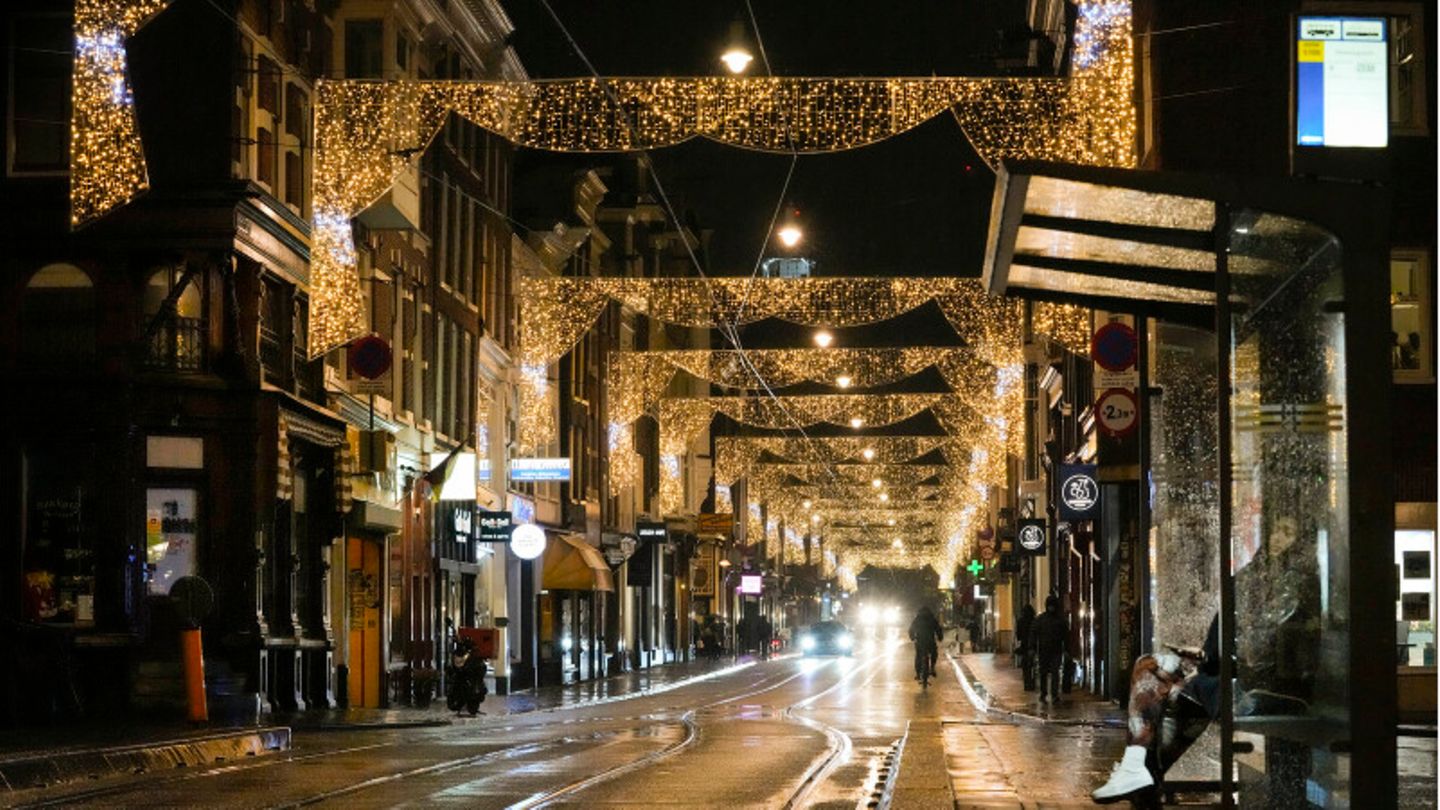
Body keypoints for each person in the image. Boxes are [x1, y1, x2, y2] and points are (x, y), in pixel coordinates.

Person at [1093, 615, 1219, 803]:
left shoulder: (1244, 605)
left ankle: (1135, 766)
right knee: (1150, 666)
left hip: (1223, 688)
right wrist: (1201, 656)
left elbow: (1237, 658)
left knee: (1150, 668)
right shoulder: (1236, 605)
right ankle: (1137, 769)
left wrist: (1204, 659)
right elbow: (1216, 655)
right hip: (1213, 682)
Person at [1029, 595, 1067, 704]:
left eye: (1052, 606)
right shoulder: (1044, 619)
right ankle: (1044, 693)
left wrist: (1067, 649)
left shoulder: (1057, 620)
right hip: (1045, 650)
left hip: (1054, 650)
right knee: (1044, 673)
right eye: (1050, 606)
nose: (1051, 608)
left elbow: (1066, 636)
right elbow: (1033, 634)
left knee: (1053, 673)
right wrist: (1032, 647)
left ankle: (1053, 694)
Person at [908, 605, 944, 681]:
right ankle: (932, 668)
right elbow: (938, 629)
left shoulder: (917, 619)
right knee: (934, 653)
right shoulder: (932, 619)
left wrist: (912, 637)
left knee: (918, 656)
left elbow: (911, 629)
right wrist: (940, 637)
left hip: (920, 641)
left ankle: (918, 674)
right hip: (930, 641)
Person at [1015, 603, 1037, 691]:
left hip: (1024, 646)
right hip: (1033, 646)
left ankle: (1027, 683)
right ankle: (1032, 682)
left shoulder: (1020, 621)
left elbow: (1018, 635)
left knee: (1025, 666)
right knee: (1032, 665)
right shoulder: (1034, 621)